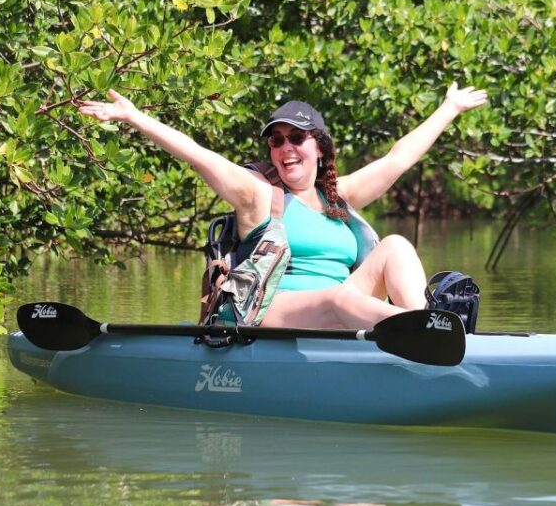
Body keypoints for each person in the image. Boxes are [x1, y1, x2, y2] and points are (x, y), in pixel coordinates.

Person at [79, 83, 487, 330]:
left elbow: (398, 159)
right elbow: (200, 156)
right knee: (336, 299)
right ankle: (421, 332)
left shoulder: (337, 196)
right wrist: (134, 118)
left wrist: (449, 108)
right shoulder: (259, 197)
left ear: (320, 148)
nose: (286, 147)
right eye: (277, 141)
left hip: (341, 305)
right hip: (271, 307)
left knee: (395, 244)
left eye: (297, 138)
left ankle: (431, 332)